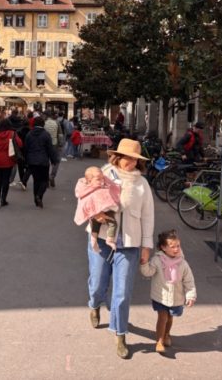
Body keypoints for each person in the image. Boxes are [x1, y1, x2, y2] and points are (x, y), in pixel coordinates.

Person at [87, 138, 154, 359]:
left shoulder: (142, 184)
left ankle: (120, 334)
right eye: (128, 158)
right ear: (118, 157)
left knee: (122, 292)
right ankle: (95, 304)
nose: (132, 163)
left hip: (130, 243)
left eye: (135, 159)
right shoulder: (103, 174)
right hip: (103, 239)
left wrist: (146, 246)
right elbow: (85, 199)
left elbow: (148, 216)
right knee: (98, 283)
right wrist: (94, 213)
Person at [140, 229, 197, 353]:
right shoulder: (157, 260)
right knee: (162, 317)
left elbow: (189, 281)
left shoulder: (183, 263)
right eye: (172, 246)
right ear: (163, 247)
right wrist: (144, 263)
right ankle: (159, 341)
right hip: (160, 296)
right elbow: (148, 272)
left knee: (170, 318)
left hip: (176, 298)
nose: (176, 249)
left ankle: (167, 334)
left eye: (178, 246)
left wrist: (190, 295)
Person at [74, 166, 121, 251]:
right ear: (89, 181)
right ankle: (107, 239)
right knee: (110, 224)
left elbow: (112, 187)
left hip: (106, 210)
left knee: (97, 227)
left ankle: (95, 239)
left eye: (102, 178)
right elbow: (84, 202)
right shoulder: (86, 189)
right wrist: (94, 213)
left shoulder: (104, 182)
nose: (102, 181)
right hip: (95, 214)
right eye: (98, 179)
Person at [24, 116, 59, 208]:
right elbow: (50, 149)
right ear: (43, 124)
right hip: (43, 161)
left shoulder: (29, 134)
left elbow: (26, 148)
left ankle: (36, 200)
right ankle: (39, 196)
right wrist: (54, 160)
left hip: (32, 161)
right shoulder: (46, 134)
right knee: (44, 180)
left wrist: (26, 160)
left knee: (36, 181)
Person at [0, 119, 23, 208]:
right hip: (8, 158)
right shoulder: (12, 133)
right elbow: (20, 144)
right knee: (6, 179)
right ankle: (3, 199)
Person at [44, 113, 64, 187]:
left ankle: (45, 179)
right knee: (56, 161)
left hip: (45, 145)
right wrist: (61, 144)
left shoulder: (44, 122)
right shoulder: (57, 123)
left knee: (46, 162)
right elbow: (60, 135)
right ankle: (52, 176)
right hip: (54, 144)